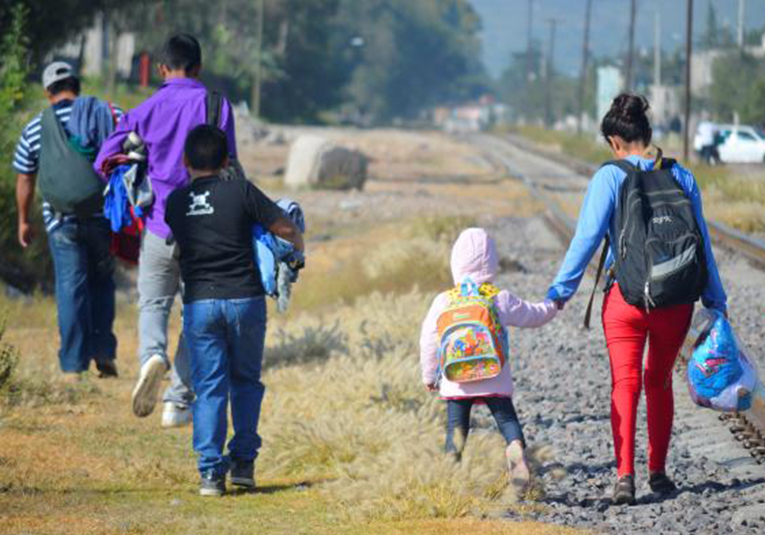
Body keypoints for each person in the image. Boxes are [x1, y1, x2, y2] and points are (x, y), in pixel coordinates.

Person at [546, 94, 727, 505]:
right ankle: (658, 472)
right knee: (659, 382)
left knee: (625, 384)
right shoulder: (682, 176)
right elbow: (703, 244)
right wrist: (715, 299)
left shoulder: (609, 176)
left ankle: (624, 476)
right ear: (648, 135)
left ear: (614, 141)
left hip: (625, 301)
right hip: (675, 300)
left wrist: (560, 292)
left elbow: (586, 239)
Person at [96, 34, 238, 427]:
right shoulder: (216, 105)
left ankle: (151, 356)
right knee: (197, 314)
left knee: (154, 303)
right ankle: (177, 401)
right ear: (199, 67)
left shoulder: (145, 108)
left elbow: (104, 159)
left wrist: (138, 158)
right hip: (207, 231)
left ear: (161, 69)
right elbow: (232, 164)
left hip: (160, 226)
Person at [165, 125, 303, 496]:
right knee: (245, 381)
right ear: (227, 160)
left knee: (209, 387)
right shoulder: (241, 191)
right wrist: (297, 247)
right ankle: (243, 463)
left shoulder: (175, 203)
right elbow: (285, 227)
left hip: (200, 304)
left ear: (185, 161)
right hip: (245, 300)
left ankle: (211, 474)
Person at [419, 228, 557, 489]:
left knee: (456, 428)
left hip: (456, 380)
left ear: (455, 263)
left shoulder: (444, 301)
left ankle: (450, 476)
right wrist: (554, 303)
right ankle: (515, 448)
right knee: (506, 420)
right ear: (492, 263)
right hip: (494, 377)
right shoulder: (498, 298)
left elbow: (428, 341)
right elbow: (534, 315)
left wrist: (429, 375)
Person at [14, 61, 121, 381]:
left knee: (71, 289)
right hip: (103, 217)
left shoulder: (35, 126)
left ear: (48, 93)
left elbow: (25, 177)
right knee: (102, 283)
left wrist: (23, 220)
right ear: (77, 85)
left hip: (61, 221)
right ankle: (103, 352)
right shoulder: (106, 113)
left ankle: (73, 365)